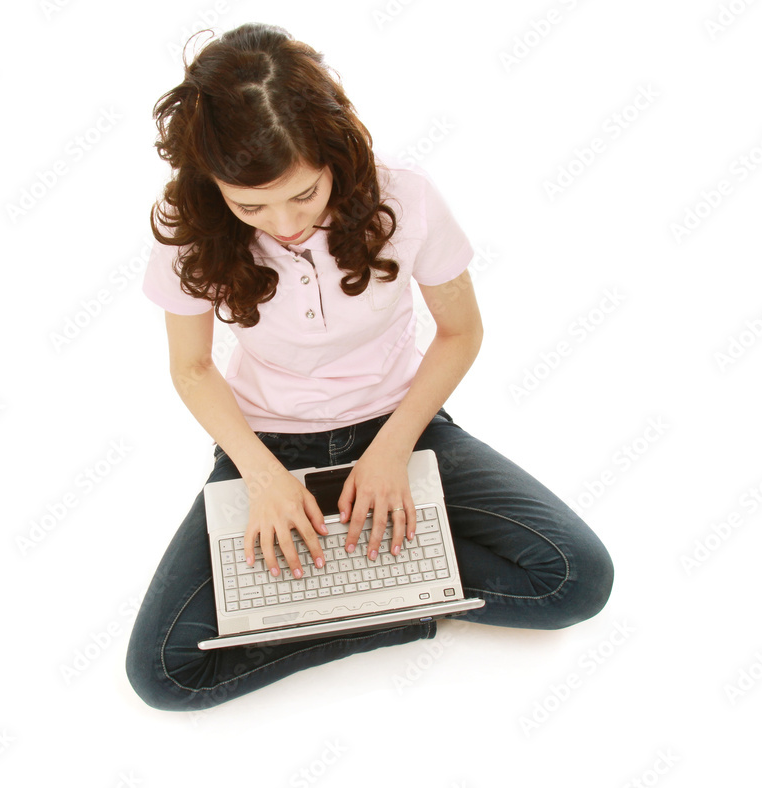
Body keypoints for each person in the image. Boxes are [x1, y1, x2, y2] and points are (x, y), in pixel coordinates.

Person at [125, 22, 614, 713]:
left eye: (303, 194)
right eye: (250, 205)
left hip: (401, 424)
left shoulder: (404, 198)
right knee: (164, 675)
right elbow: (193, 368)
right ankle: (401, 602)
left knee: (577, 581)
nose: (284, 224)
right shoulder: (189, 223)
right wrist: (262, 478)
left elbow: (461, 332)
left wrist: (391, 452)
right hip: (266, 444)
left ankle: (365, 592)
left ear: (333, 152)